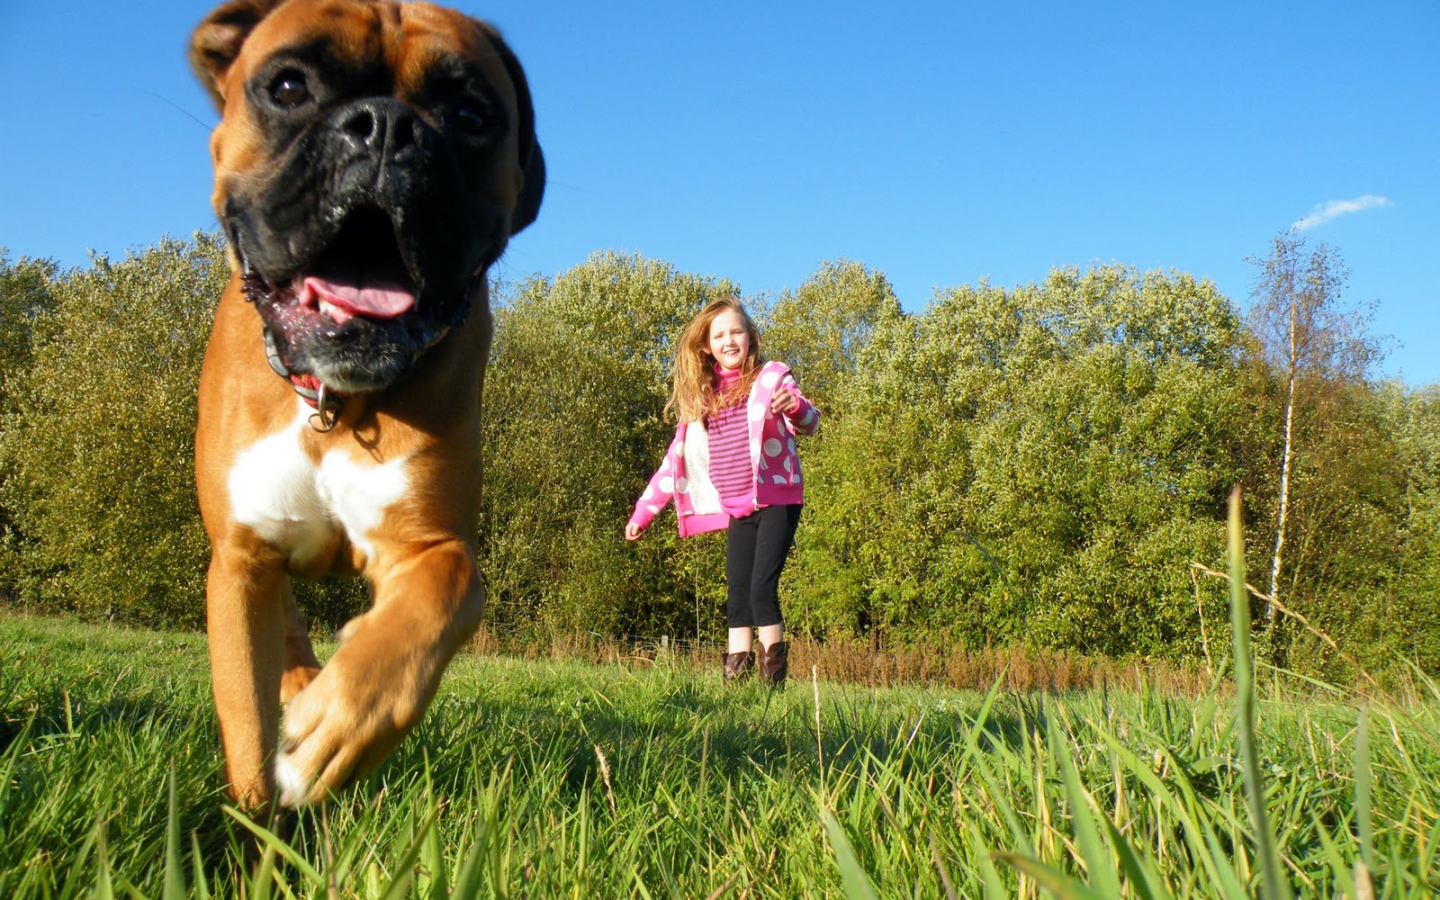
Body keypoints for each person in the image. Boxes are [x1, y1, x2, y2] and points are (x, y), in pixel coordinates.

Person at [624, 297, 819, 687]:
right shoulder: (703, 398)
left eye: (736, 331)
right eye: (720, 335)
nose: (729, 340)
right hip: (737, 507)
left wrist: (793, 406)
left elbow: (810, 421)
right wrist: (643, 512)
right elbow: (673, 463)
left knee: (762, 588)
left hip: (777, 498)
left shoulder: (772, 378)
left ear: (750, 338)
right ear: (706, 346)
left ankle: (771, 682)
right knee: (736, 593)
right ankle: (735, 679)